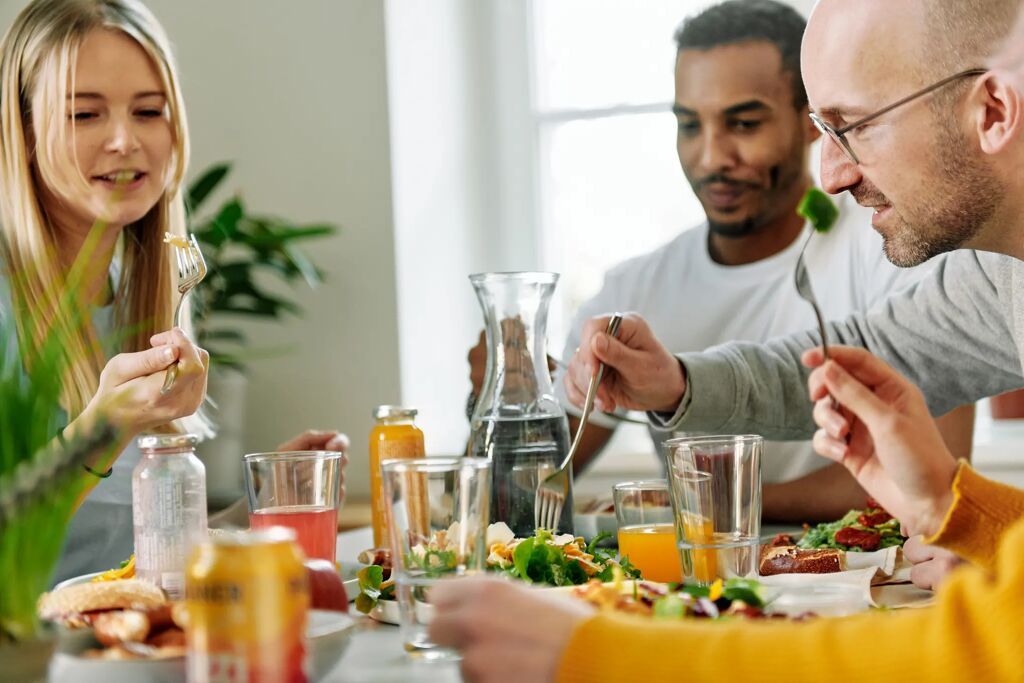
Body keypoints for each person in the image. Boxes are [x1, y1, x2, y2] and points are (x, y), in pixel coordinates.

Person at [428, 2, 1024, 679]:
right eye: (826, 130)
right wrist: (968, 516)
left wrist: (598, 653)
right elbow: (858, 354)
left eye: (854, 126)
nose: (831, 175)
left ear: (994, 112)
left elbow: (977, 647)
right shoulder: (995, 279)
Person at [465, 0, 974, 523]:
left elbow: (943, 472)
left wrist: (704, 504)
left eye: (744, 123)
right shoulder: (633, 292)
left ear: (812, 123)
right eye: (689, 126)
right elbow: (514, 503)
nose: (711, 158)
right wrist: (510, 396)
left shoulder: (898, 244)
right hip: (699, 597)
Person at [0, 0, 348, 583]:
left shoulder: (150, 286)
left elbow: (124, 556)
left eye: (148, 111)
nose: (123, 140)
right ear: (24, 129)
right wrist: (101, 431)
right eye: (84, 114)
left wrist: (266, 501)